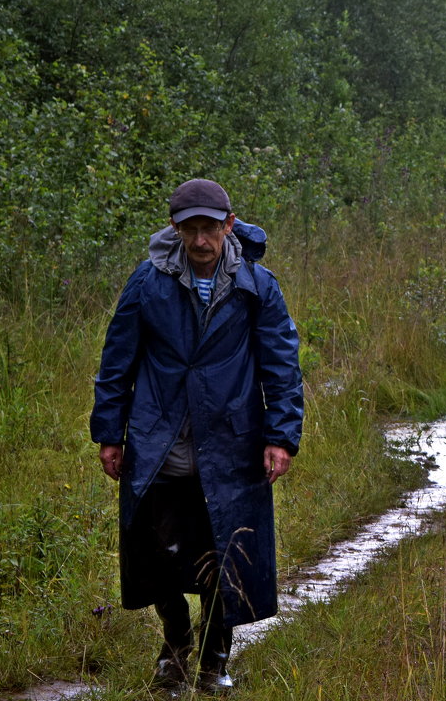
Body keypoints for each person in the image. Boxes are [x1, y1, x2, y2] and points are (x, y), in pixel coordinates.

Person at [91, 178, 303, 693]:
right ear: (176, 229)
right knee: (155, 551)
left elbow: (281, 364)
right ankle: (175, 647)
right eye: (191, 230)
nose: (201, 240)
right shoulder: (148, 281)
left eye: (210, 228)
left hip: (231, 441)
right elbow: (117, 360)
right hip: (159, 439)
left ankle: (214, 661)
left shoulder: (257, 283)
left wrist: (281, 436)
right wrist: (110, 432)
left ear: (229, 225)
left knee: (225, 554)